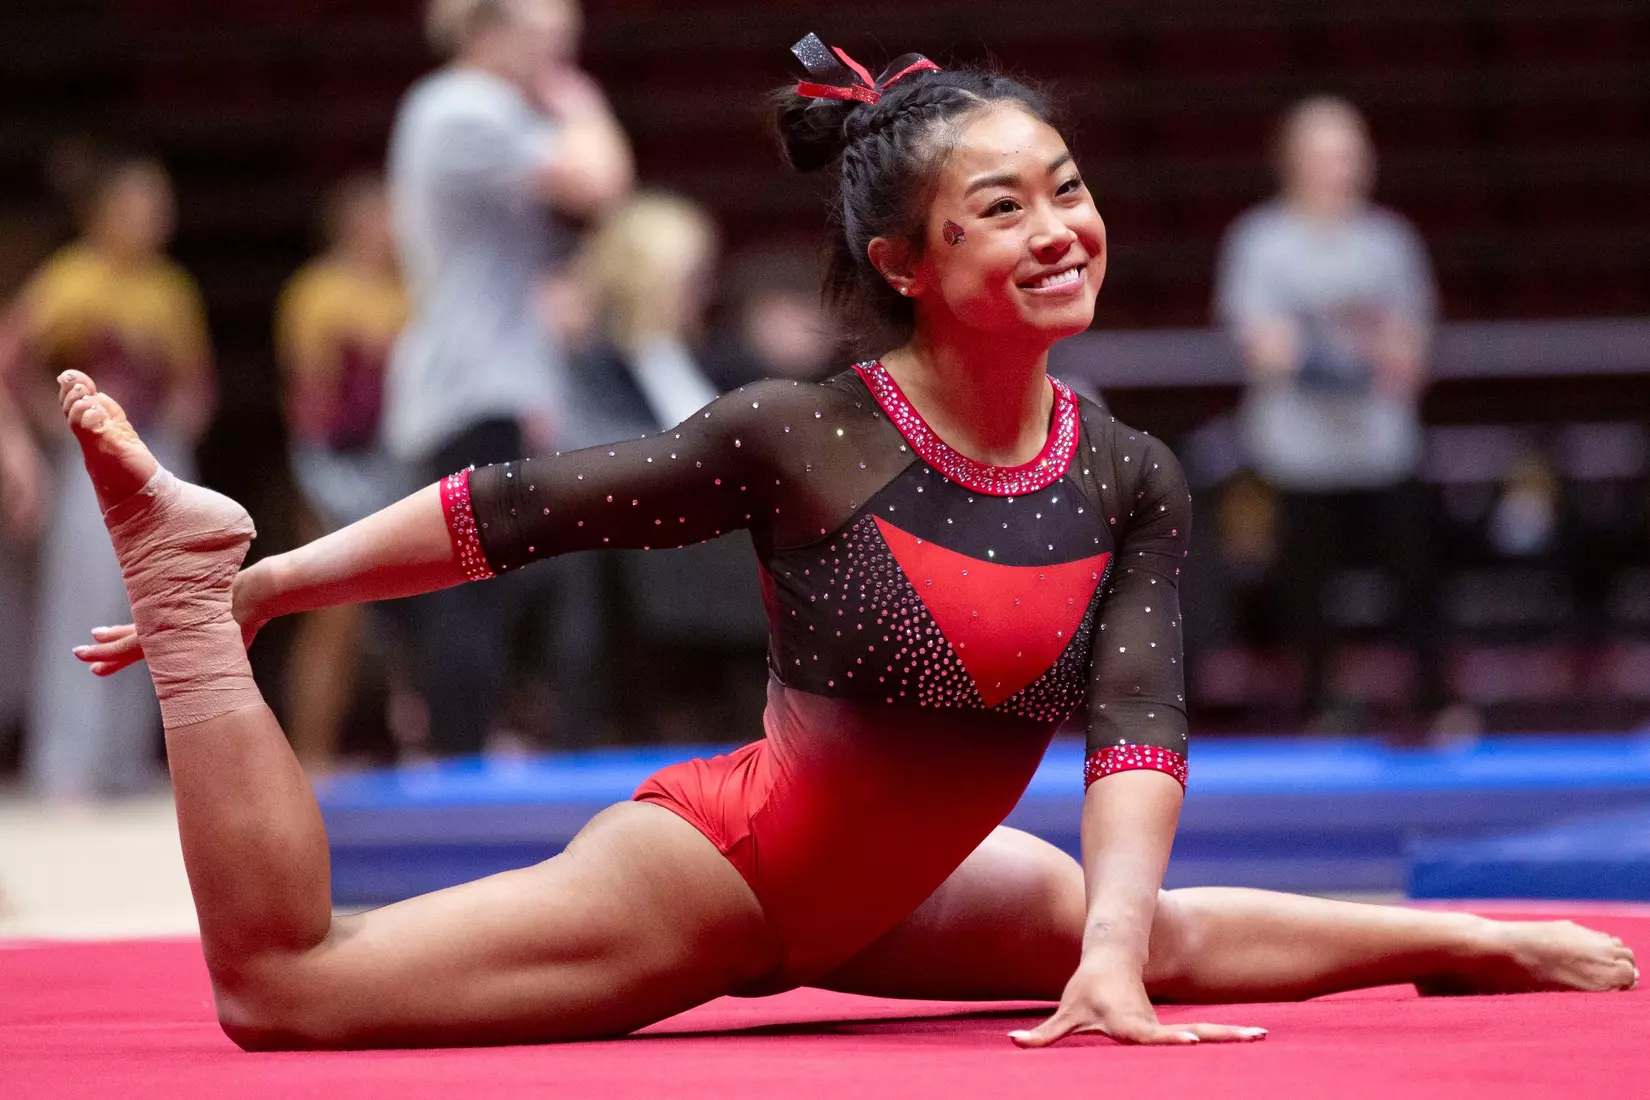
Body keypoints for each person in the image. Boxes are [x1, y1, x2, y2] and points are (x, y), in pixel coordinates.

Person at [64, 38, 1634, 1051]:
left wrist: (1139, 964)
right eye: (1001, 209)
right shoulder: (807, 435)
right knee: (286, 990)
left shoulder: (1129, 473)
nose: (1056, 230)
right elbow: (515, 514)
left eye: (1066, 191)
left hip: (915, 886)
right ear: (903, 263)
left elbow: (1137, 746)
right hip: (731, 876)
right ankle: (193, 602)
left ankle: (1475, 936)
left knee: (1155, 935)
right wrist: (272, 583)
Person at [382, 0, 632, 757]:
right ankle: (455, 759)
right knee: (471, 586)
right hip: (472, 387)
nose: (554, 63)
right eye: (546, 45)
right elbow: (601, 182)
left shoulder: (459, 108)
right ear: (487, 34)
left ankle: (463, 744)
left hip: (485, 378)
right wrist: (581, 101)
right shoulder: (466, 106)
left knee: (485, 584)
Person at [1214, 97, 1444, 731]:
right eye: (1322, 154)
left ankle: (1431, 704)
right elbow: (1266, 348)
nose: (1338, 167)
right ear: (1291, 161)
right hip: (1296, 456)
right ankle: (1320, 707)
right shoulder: (1261, 242)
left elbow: (1409, 352)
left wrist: (1344, 351)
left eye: (1348, 152)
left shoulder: (1389, 243)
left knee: (1416, 581)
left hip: (1382, 450)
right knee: (1303, 593)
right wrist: (1348, 355)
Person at [0, 154, 211, 800]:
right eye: (139, 205)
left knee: (155, 606)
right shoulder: (70, 280)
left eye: (160, 205)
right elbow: (11, 360)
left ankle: (124, 760)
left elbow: (195, 381)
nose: (153, 218)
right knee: (84, 604)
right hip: (90, 458)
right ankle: (67, 764)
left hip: (156, 455)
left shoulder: (171, 289)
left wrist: (179, 425)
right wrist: (48, 423)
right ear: (104, 214)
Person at [275, 174, 410, 768]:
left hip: (397, 462)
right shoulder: (317, 293)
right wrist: (319, 477)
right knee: (333, 618)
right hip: (334, 467)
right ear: (354, 222)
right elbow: (310, 399)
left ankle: (406, 746)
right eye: (384, 214)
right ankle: (311, 752)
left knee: (409, 616)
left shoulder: (411, 291)